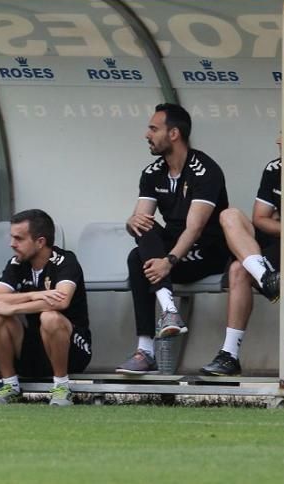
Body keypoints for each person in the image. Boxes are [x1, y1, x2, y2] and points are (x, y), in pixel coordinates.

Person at [200, 109, 284, 376]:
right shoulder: (274, 169)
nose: (279, 140)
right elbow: (259, 218)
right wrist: (283, 224)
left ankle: (229, 355)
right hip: (270, 244)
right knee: (229, 215)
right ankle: (266, 277)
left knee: (238, 269)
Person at [116, 103, 232, 375]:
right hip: (172, 254)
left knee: (139, 259)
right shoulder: (152, 172)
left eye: (154, 129)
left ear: (174, 134)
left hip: (207, 251)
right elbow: (140, 220)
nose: (147, 134)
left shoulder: (205, 169)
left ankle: (163, 319)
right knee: (138, 249)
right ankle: (149, 344)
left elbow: (195, 228)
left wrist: (168, 261)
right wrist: (130, 222)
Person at [0, 209, 92, 406]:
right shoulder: (17, 263)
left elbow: (61, 301)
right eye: (12, 237)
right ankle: (10, 386)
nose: (12, 244)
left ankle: (61, 387)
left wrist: (14, 307)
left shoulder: (65, 260)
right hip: (32, 349)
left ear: (40, 242)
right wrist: (35, 294)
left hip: (73, 349)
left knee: (50, 317)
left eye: (19, 238)